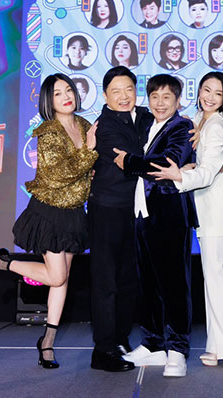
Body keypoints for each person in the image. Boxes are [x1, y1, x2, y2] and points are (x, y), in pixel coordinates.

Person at [148, 72, 223, 368]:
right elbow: (200, 163)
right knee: (212, 279)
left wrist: (179, 176)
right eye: (206, 90)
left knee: (218, 274)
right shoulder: (199, 120)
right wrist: (188, 166)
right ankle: (218, 346)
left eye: (217, 93)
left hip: (216, 208)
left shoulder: (216, 125)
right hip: (205, 209)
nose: (210, 97)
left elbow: (208, 172)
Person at [0, 74, 98, 369]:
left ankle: (48, 343)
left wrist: (92, 170)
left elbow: (86, 170)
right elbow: (59, 175)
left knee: (62, 279)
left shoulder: (85, 126)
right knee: (56, 277)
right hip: (49, 212)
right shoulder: (48, 131)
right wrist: (89, 153)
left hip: (74, 213)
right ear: (48, 101)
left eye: (68, 90)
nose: (66, 96)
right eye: (57, 93)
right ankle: (3, 263)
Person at [115, 74, 196, 378]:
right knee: (147, 283)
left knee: (174, 284)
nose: (160, 103)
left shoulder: (182, 127)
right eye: (154, 97)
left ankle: (177, 350)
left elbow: (166, 165)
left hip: (170, 214)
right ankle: (153, 345)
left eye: (167, 97)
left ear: (178, 100)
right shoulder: (147, 124)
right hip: (142, 213)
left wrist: (130, 162)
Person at [88, 67, 153, 372]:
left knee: (129, 281)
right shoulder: (104, 126)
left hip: (135, 209)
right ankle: (102, 350)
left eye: (129, 89)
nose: (124, 96)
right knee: (106, 281)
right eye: (116, 91)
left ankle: (120, 339)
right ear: (105, 95)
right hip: (107, 208)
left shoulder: (145, 116)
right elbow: (132, 158)